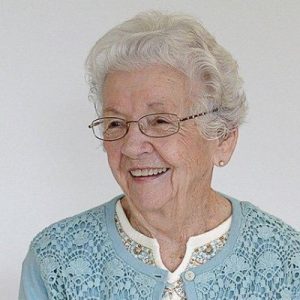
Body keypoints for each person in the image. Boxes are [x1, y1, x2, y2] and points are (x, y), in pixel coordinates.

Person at [19, 11, 300, 300]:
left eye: (160, 121)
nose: (130, 146)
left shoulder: (288, 263)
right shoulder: (56, 259)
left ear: (223, 138)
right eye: (116, 124)